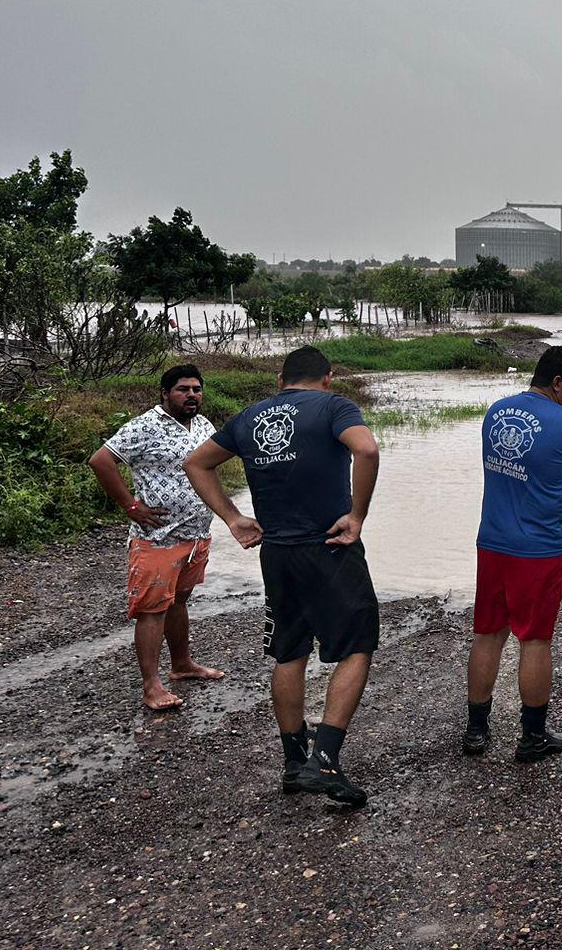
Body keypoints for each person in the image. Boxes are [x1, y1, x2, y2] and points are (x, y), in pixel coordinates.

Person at [184, 346, 381, 807]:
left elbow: (197, 462)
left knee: (289, 652)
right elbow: (367, 448)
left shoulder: (250, 416)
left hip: (276, 553)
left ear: (280, 379)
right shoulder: (335, 406)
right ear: (328, 378)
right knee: (356, 646)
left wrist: (233, 518)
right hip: (330, 546)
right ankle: (325, 761)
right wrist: (357, 515)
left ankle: (294, 763)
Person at [463, 345, 562, 762]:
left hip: (492, 543)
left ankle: (476, 729)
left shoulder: (496, 412)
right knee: (535, 640)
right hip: (540, 549)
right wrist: (560, 479)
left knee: (487, 633)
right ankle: (533, 735)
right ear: (557, 383)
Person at [87, 364, 226, 711]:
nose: (191, 394)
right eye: (183, 389)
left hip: (196, 535)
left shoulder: (203, 425)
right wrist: (131, 506)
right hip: (157, 537)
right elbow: (101, 460)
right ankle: (152, 686)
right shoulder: (145, 426)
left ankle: (182, 665)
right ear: (165, 393)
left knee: (178, 602)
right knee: (152, 610)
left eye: (196, 388)